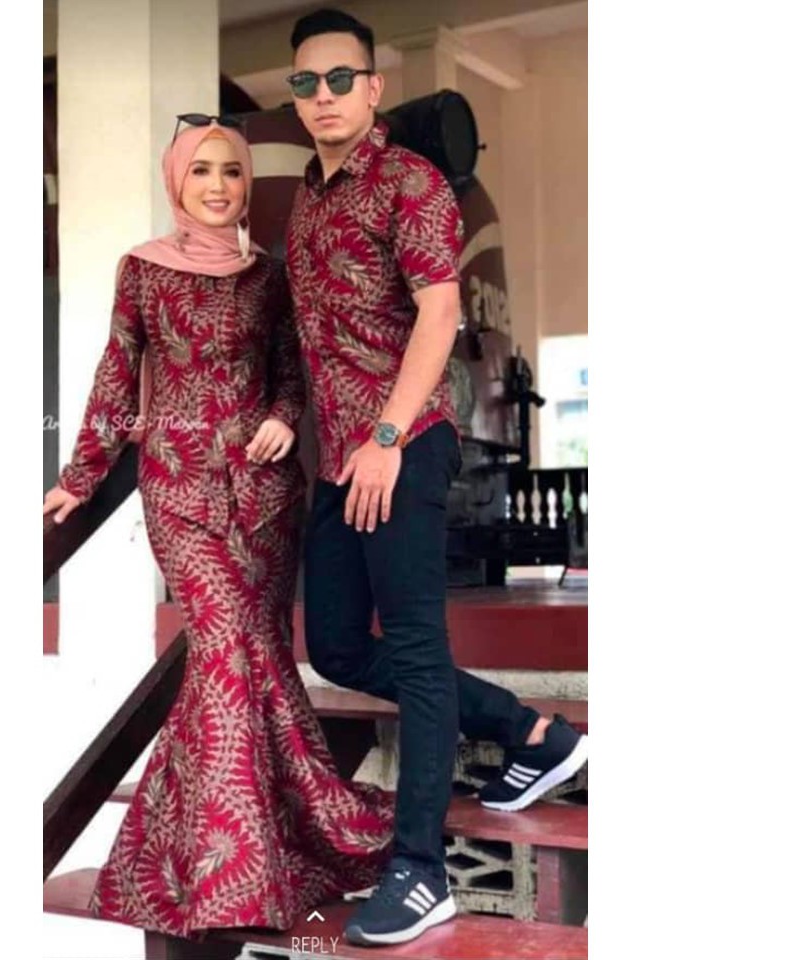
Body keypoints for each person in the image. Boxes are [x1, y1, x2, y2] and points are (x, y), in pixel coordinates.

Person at [42, 117, 394, 938]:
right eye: (200, 170)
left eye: (231, 171)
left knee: (246, 654)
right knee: (228, 643)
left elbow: (291, 374)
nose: (217, 186)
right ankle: (241, 867)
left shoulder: (269, 277)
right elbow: (116, 376)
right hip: (180, 491)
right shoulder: (141, 270)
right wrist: (79, 477)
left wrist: (281, 416)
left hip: (266, 497)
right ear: (177, 181)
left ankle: (225, 853)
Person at [284, 8, 589, 947]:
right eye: (306, 83)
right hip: (341, 456)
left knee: (415, 647)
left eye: (341, 78)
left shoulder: (407, 181)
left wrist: (386, 434)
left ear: (373, 87)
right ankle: (532, 732)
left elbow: (440, 314)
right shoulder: (309, 198)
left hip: (404, 442)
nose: (324, 96)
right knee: (338, 646)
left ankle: (421, 872)